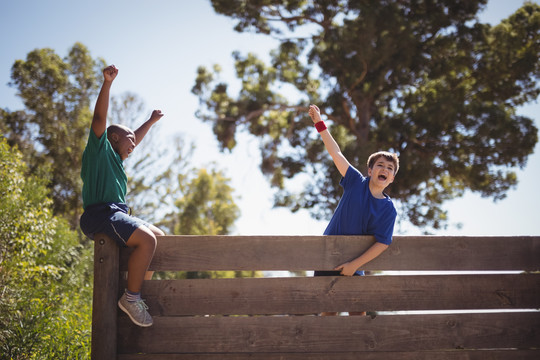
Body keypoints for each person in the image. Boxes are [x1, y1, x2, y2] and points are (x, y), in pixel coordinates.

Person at [80, 65, 164, 327]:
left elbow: (134, 138)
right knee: (148, 240)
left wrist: (149, 121)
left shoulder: (117, 160)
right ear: (113, 138)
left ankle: (136, 290)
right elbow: (98, 119)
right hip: (100, 214)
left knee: (160, 236)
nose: (134, 145)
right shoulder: (99, 150)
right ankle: (131, 297)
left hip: (114, 214)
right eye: (129, 139)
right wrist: (107, 83)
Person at [308, 104, 399, 316]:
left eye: (389, 168)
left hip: (355, 265)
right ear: (370, 170)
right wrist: (319, 123)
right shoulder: (355, 181)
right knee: (328, 312)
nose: (384, 169)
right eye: (380, 165)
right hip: (327, 256)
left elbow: (383, 243)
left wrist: (353, 266)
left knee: (358, 314)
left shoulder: (388, 209)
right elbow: (336, 152)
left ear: (392, 178)